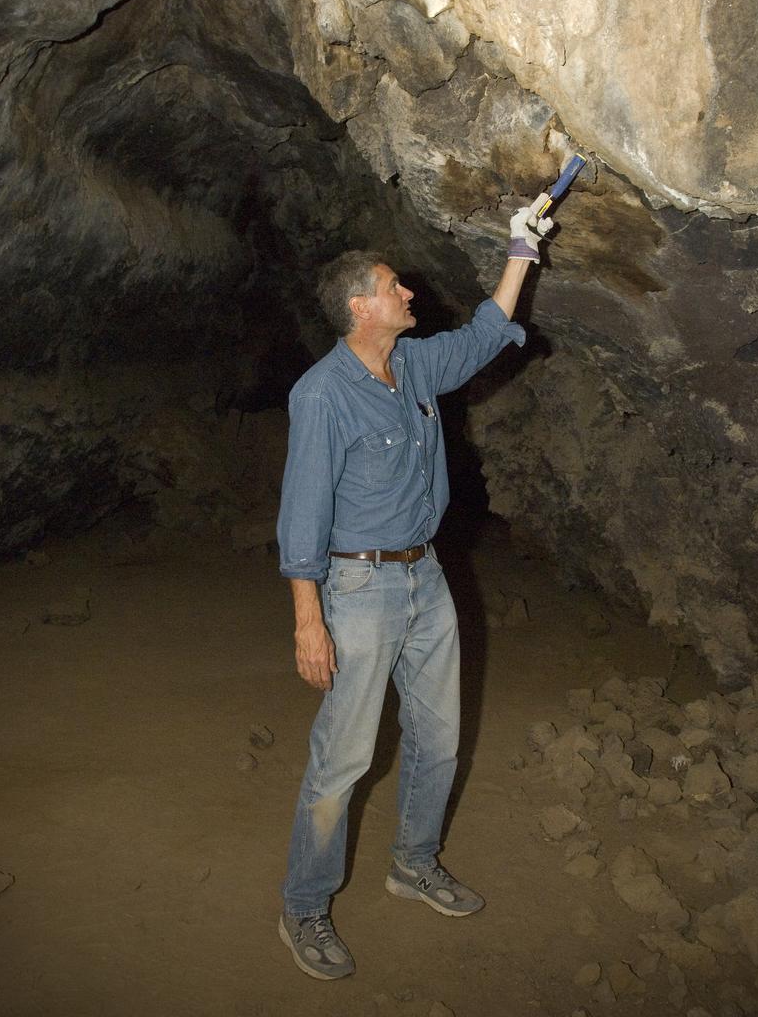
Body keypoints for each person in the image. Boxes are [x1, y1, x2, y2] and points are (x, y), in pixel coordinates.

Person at [276, 204, 552, 980]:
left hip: (424, 576)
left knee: (439, 735)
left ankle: (414, 862)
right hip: (358, 586)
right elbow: (302, 516)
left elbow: (487, 333)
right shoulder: (322, 394)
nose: (409, 294)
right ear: (360, 306)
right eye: (394, 287)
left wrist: (521, 249)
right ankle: (304, 905)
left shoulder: (417, 365)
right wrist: (308, 622)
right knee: (344, 757)